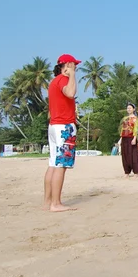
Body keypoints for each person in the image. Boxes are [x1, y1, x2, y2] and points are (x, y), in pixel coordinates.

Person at [43, 54, 80, 212]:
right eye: (74, 65)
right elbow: (70, 93)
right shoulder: (63, 80)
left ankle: (48, 201)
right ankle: (56, 203)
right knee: (61, 165)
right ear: (67, 64)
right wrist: (71, 75)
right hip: (64, 127)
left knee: (53, 164)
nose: (76, 68)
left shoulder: (54, 81)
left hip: (54, 126)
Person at [117, 103, 138, 178]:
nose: (129, 109)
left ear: (133, 109)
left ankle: (136, 172)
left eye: (130, 108)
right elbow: (122, 129)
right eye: (127, 108)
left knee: (133, 155)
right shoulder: (125, 118)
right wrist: (120, 139)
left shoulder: (136, 119)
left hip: (131, 138)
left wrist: (134, 138)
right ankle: (126, 172)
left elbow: (136, 129)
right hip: (124, 138)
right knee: (125, 155)